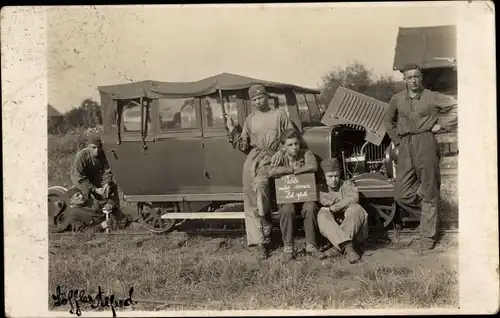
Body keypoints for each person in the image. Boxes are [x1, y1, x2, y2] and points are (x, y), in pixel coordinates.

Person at [384, 63, 458, 251]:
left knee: (429, 189)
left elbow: (456, 107)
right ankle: (430, 215)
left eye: (416, 76)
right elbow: (388, 121)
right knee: (401, 194)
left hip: (426, 142)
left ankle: (427, 238)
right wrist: (398, 143)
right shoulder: (397, 99)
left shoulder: (432, 97)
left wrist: (441, 125)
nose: (413, 80)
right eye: (410, 77)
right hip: (405, 144)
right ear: (405, 79)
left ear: (421, 77)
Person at [226, 84, 295, 260]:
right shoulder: (250, 120)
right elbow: (243, 145)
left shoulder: (279, 114)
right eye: (254, 100)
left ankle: (266, 224)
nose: (257, 102)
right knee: (250, 196)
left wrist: (281, 151)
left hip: (272, 159)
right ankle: (260, 243)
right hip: (254, 160)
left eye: (260, 98)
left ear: (266, 96)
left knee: (260, 185)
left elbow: (291, 136)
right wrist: (233, 128)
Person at [267, 129, 326, 261]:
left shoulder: (306, 153)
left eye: (296, 144)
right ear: (283, 147)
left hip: (305, 196)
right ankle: (288, 247)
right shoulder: (280, 157)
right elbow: (271, 172)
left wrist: (296, 170)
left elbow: (313, 166)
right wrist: (290, 169)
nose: (294, 147)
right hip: (287, 197)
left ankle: (311, 245)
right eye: (290, 145)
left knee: (310, 208)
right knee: (286, 210)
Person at [316, 158, 368, 264]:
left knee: (356, 208)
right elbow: (323, 199)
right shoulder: (320, 189)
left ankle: (338, 248)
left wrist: (333, 208)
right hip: (331, 234)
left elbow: (354, 198)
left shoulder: (347, 185)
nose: (334, 180)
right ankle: (348, 248)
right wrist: (342, 202)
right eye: (330, 176)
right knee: (322, 213)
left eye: (336, 176)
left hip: (356, 233)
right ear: (323, 176)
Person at [69, 133, 125, 230]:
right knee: (85, 196)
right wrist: (94, 189)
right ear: (88, 147)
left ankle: (114, 213)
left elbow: (107, 171)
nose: (97, 150)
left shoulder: (103, 154)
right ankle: (91, 221)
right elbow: (78, 176)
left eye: (99, 147)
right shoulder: (81, 156)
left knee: (110, 188)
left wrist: (107, 184)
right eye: (94, 147)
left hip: (95, 177)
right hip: (81, 179)